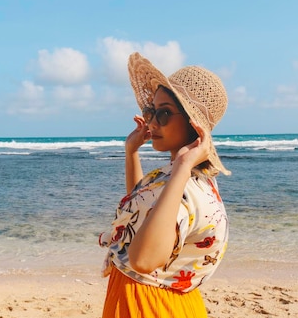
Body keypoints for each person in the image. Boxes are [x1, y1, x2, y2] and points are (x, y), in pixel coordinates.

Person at [99, 52, 231, 317]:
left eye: (164, 113)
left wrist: (182, 167)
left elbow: (144, 259)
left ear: (194, 126)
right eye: (151, 112)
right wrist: (131, 153)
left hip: (152, 306)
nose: (152, 122)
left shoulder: (186, 184)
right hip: (145, 299)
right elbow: (144, 217)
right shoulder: (177, 176)